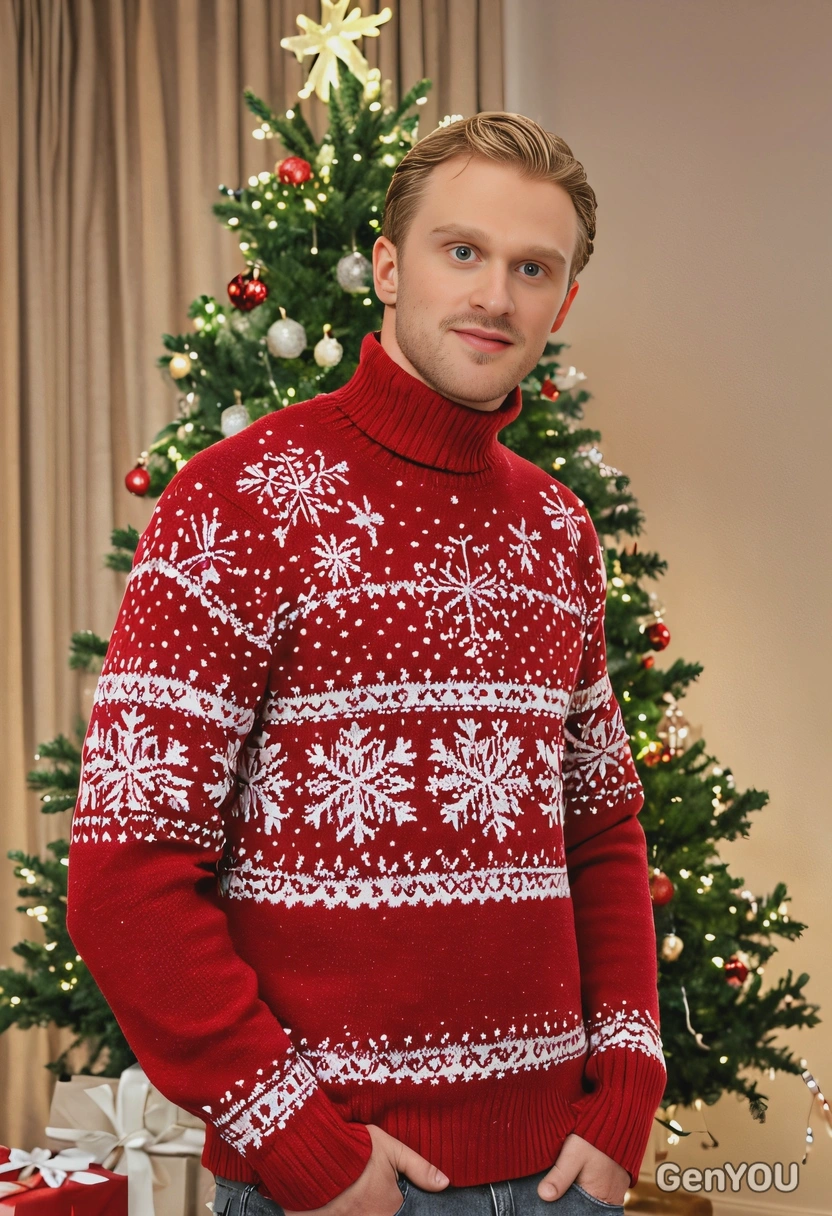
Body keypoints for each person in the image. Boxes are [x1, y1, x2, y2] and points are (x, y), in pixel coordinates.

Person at [66, 111, 667, 1216]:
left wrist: (624, 1088)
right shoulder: (238, 498)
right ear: (388, 265)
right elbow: (127, 871)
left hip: (561, 1178)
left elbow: (600, 824)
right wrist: (296, 1140)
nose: (496, 294)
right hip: (343, 1180)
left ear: (562, 301)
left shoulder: (557, 529)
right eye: (462, 251)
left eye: (532, 267)